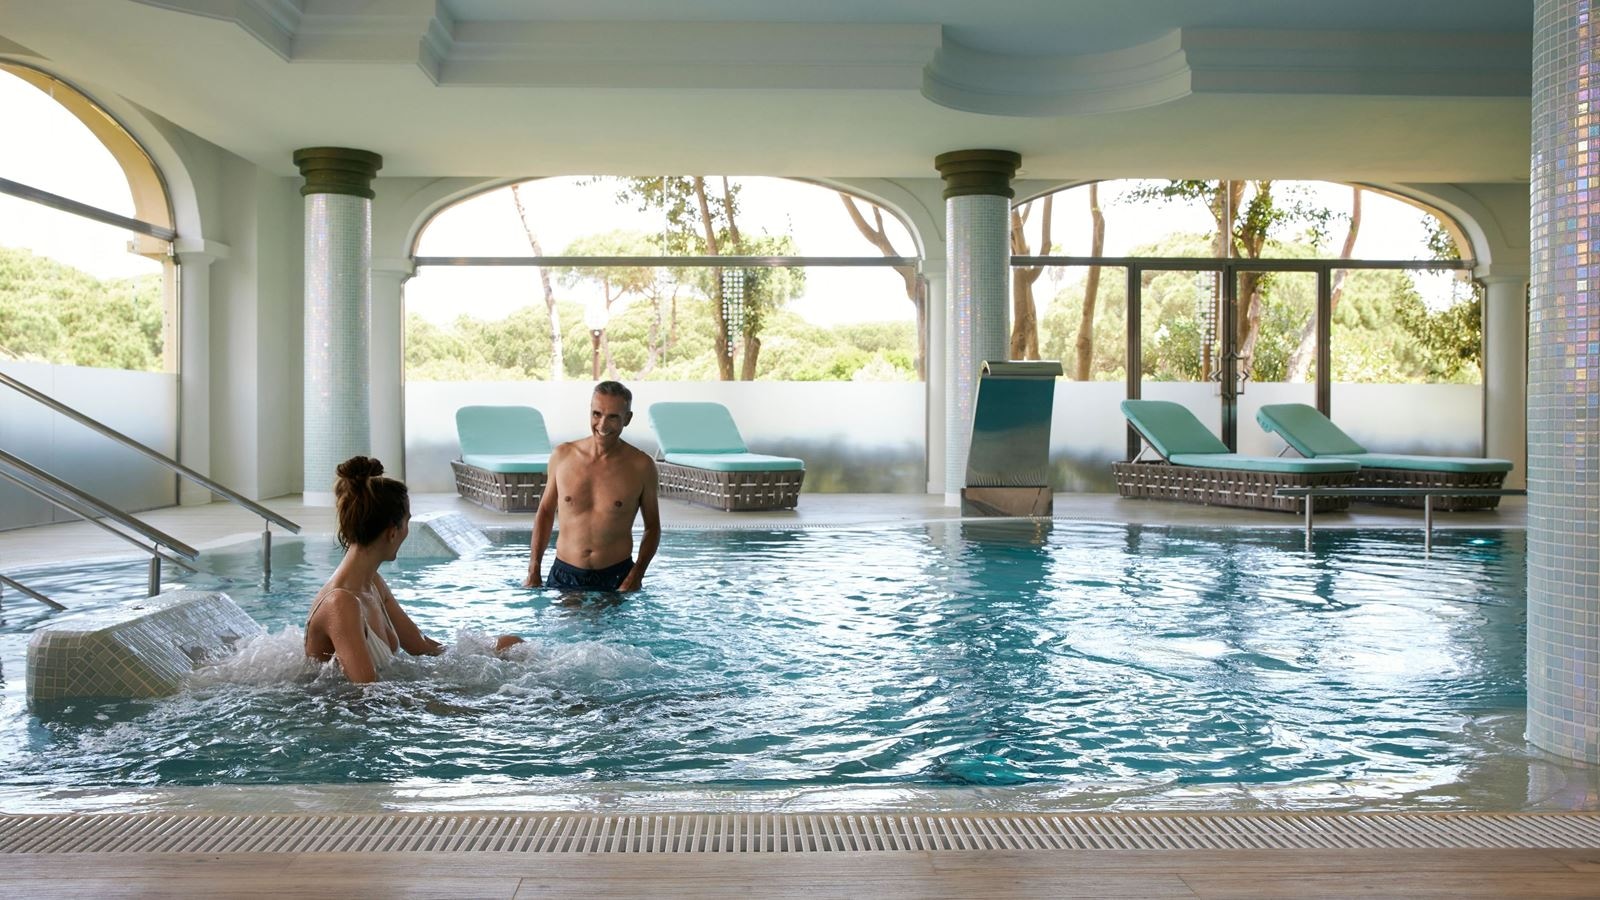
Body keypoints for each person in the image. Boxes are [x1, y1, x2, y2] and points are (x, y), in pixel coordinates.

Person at [306, 456, 522, 683]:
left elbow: (421, 646)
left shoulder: (372, 583)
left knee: (510, 643)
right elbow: (367, 693)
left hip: (374, 704)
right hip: (339, 711)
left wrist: (489, 651)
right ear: (392, 532)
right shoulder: (341, 604)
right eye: (407, 521)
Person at [524, 380, 661, 592]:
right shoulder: (563, 456)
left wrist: (636, 575)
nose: (603, 425)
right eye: (597, 414)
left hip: (616, 577)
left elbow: (652, 527)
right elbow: (545, 511)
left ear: (628, 418)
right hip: (565, 574)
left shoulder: (641, 466)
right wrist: (534, 569)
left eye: (613, 417)